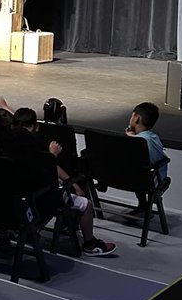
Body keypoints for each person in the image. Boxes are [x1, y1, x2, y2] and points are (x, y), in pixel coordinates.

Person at [12, 107, 116, 256]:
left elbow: (48, 166)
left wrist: (71, 183)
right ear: (36, 126)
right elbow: (40, 173)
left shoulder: (8, 144)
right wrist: (52, 156)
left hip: (17, 197)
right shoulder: (33, 147)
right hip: (38, 198)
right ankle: (90, 244)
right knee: (86, 204)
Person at [125, 101, 170, 213]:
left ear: (137, 118)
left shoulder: (134, 142)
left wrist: (131, 139)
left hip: (124, 178)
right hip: (146, 180)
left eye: (132, 116)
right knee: (141, 170)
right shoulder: (153, 139)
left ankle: (143, 203)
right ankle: (145, 202)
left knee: (137, 169)